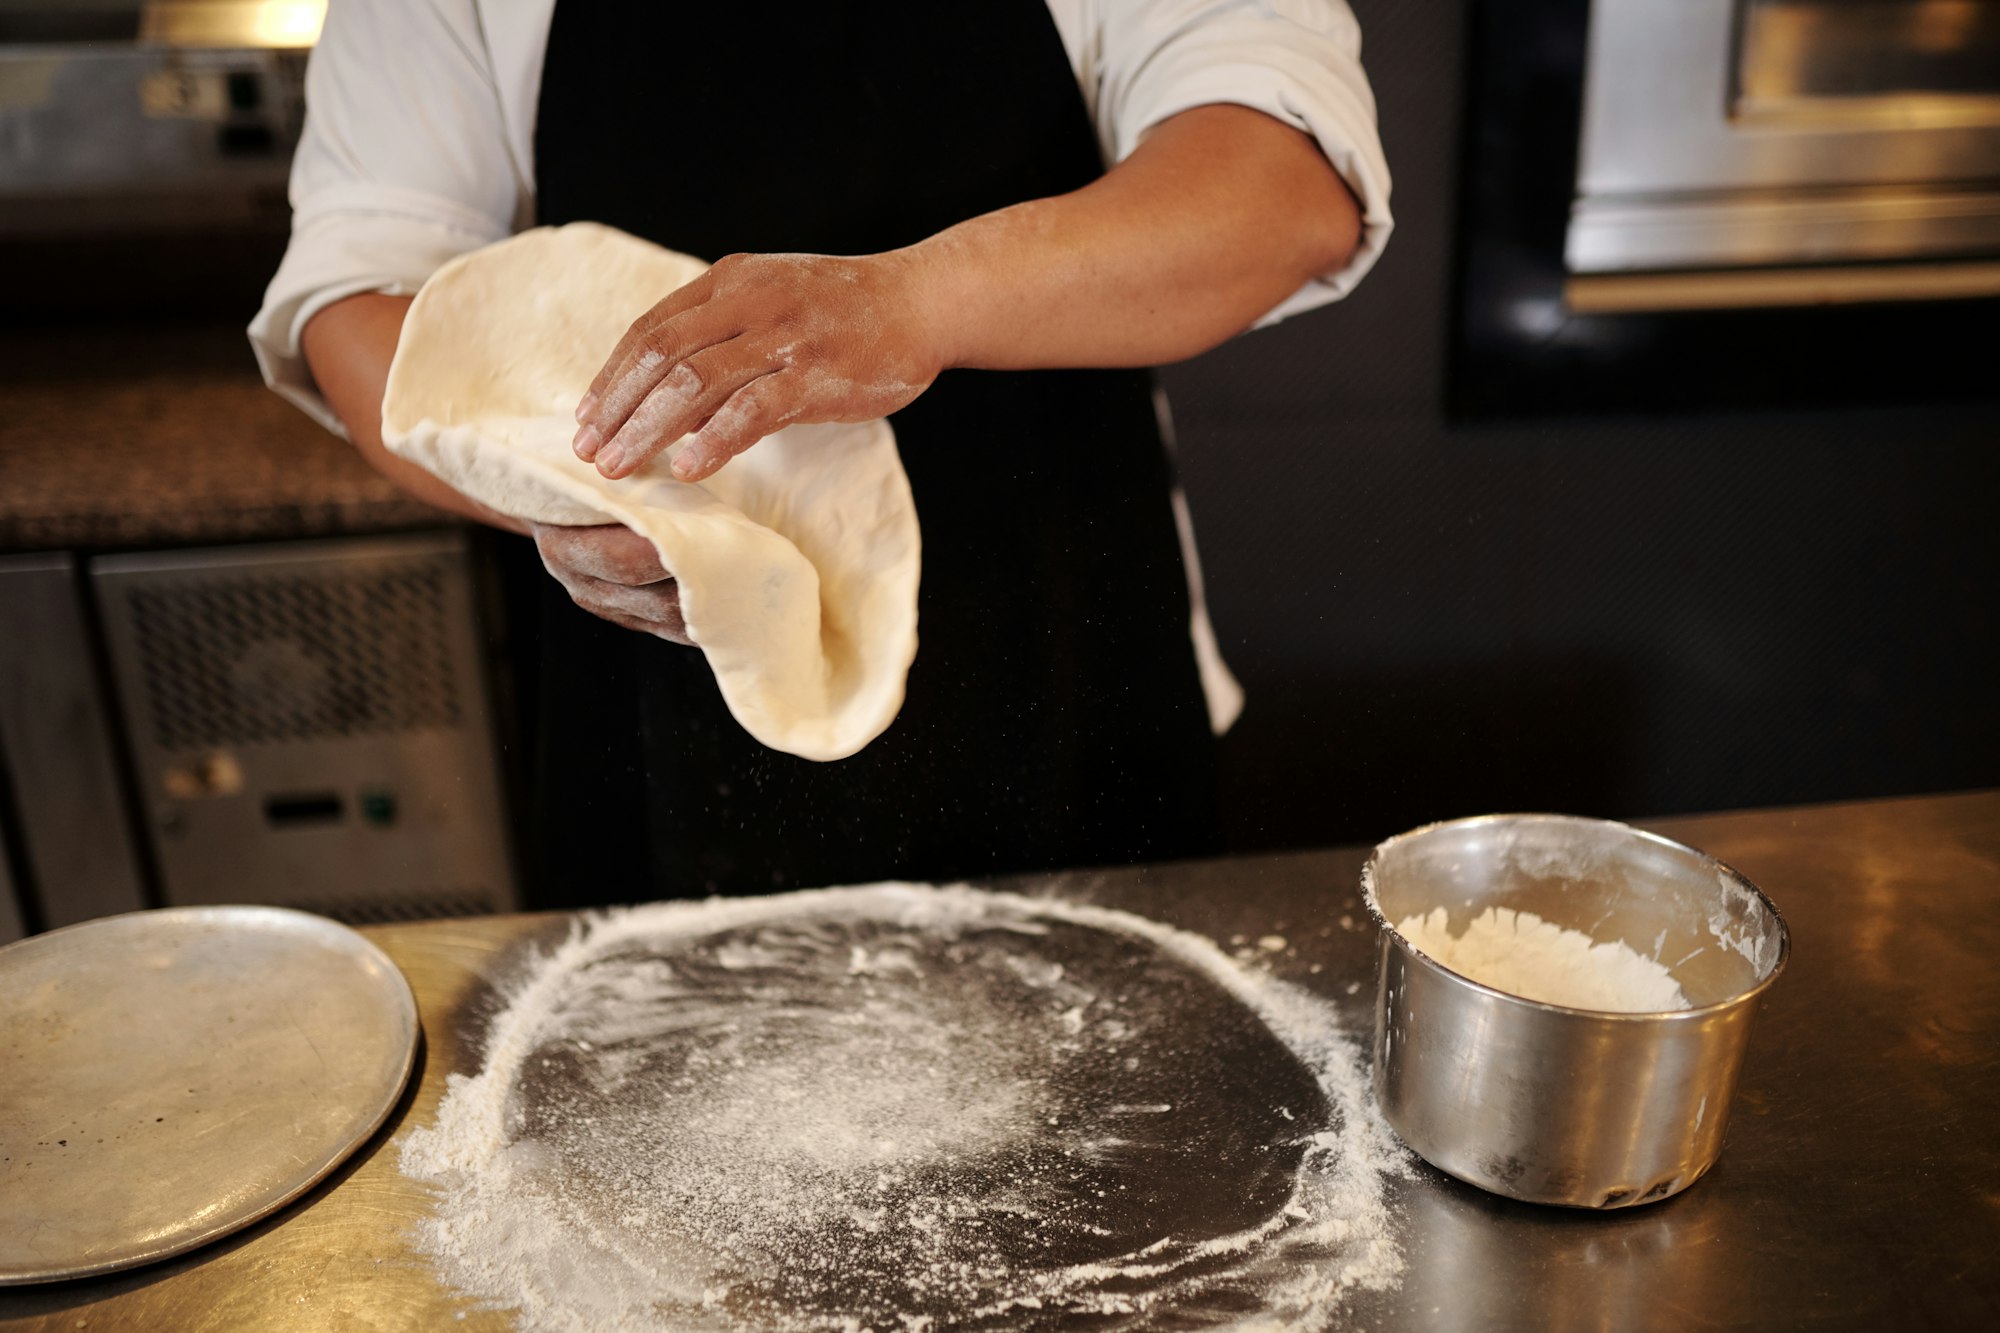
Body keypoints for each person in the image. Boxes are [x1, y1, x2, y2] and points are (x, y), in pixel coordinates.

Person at [250, 0, 1392, 903]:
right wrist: (599, 500)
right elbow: (359, 299)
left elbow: (1281, 182)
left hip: (1067, 641)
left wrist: (918, 304)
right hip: (653, 686)